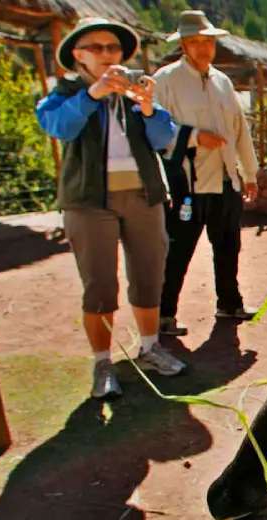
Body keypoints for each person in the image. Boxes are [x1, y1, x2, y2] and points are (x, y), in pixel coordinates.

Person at [35, 17, 187, 400]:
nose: (107, 55)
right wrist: (94, 95)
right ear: (77, 55)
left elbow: (164, 139)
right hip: (89, 203)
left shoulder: (134, 92)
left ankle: (150, 348)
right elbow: (58, 127)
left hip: (142, 196)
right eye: (97, 47)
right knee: (100, 284)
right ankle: (103, 363)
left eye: (113, 48)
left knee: (149, 273)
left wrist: (151, 109)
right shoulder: (65, 94)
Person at [152, 10, 260, 337]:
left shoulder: (223, 83)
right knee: (177, 250)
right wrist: (195, 137)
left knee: (228, 246)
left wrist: (249, 173)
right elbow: (154, 129)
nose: (203, 48)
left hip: (226, 180)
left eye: (207, 41)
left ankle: (229, 303)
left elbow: (240, 131)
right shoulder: (165, 81)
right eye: (195, 41)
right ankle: (163, 315)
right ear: (183, 44)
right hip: (187, 183)